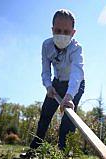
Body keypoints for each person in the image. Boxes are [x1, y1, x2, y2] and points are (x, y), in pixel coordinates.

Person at [29, 9, 85, 150]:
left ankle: (63, 153)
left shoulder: (76, 49)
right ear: (52, 29)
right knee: (45, 114)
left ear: (73, 33)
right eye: (58, 30)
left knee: (68, 118)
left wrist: (69, 95)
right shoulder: (46, 45)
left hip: (75, 85)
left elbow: (76, 73)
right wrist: (48, 86)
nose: (62, 35)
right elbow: (45, 70)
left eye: (66, 32)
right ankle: (34, 148)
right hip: (56, 83)